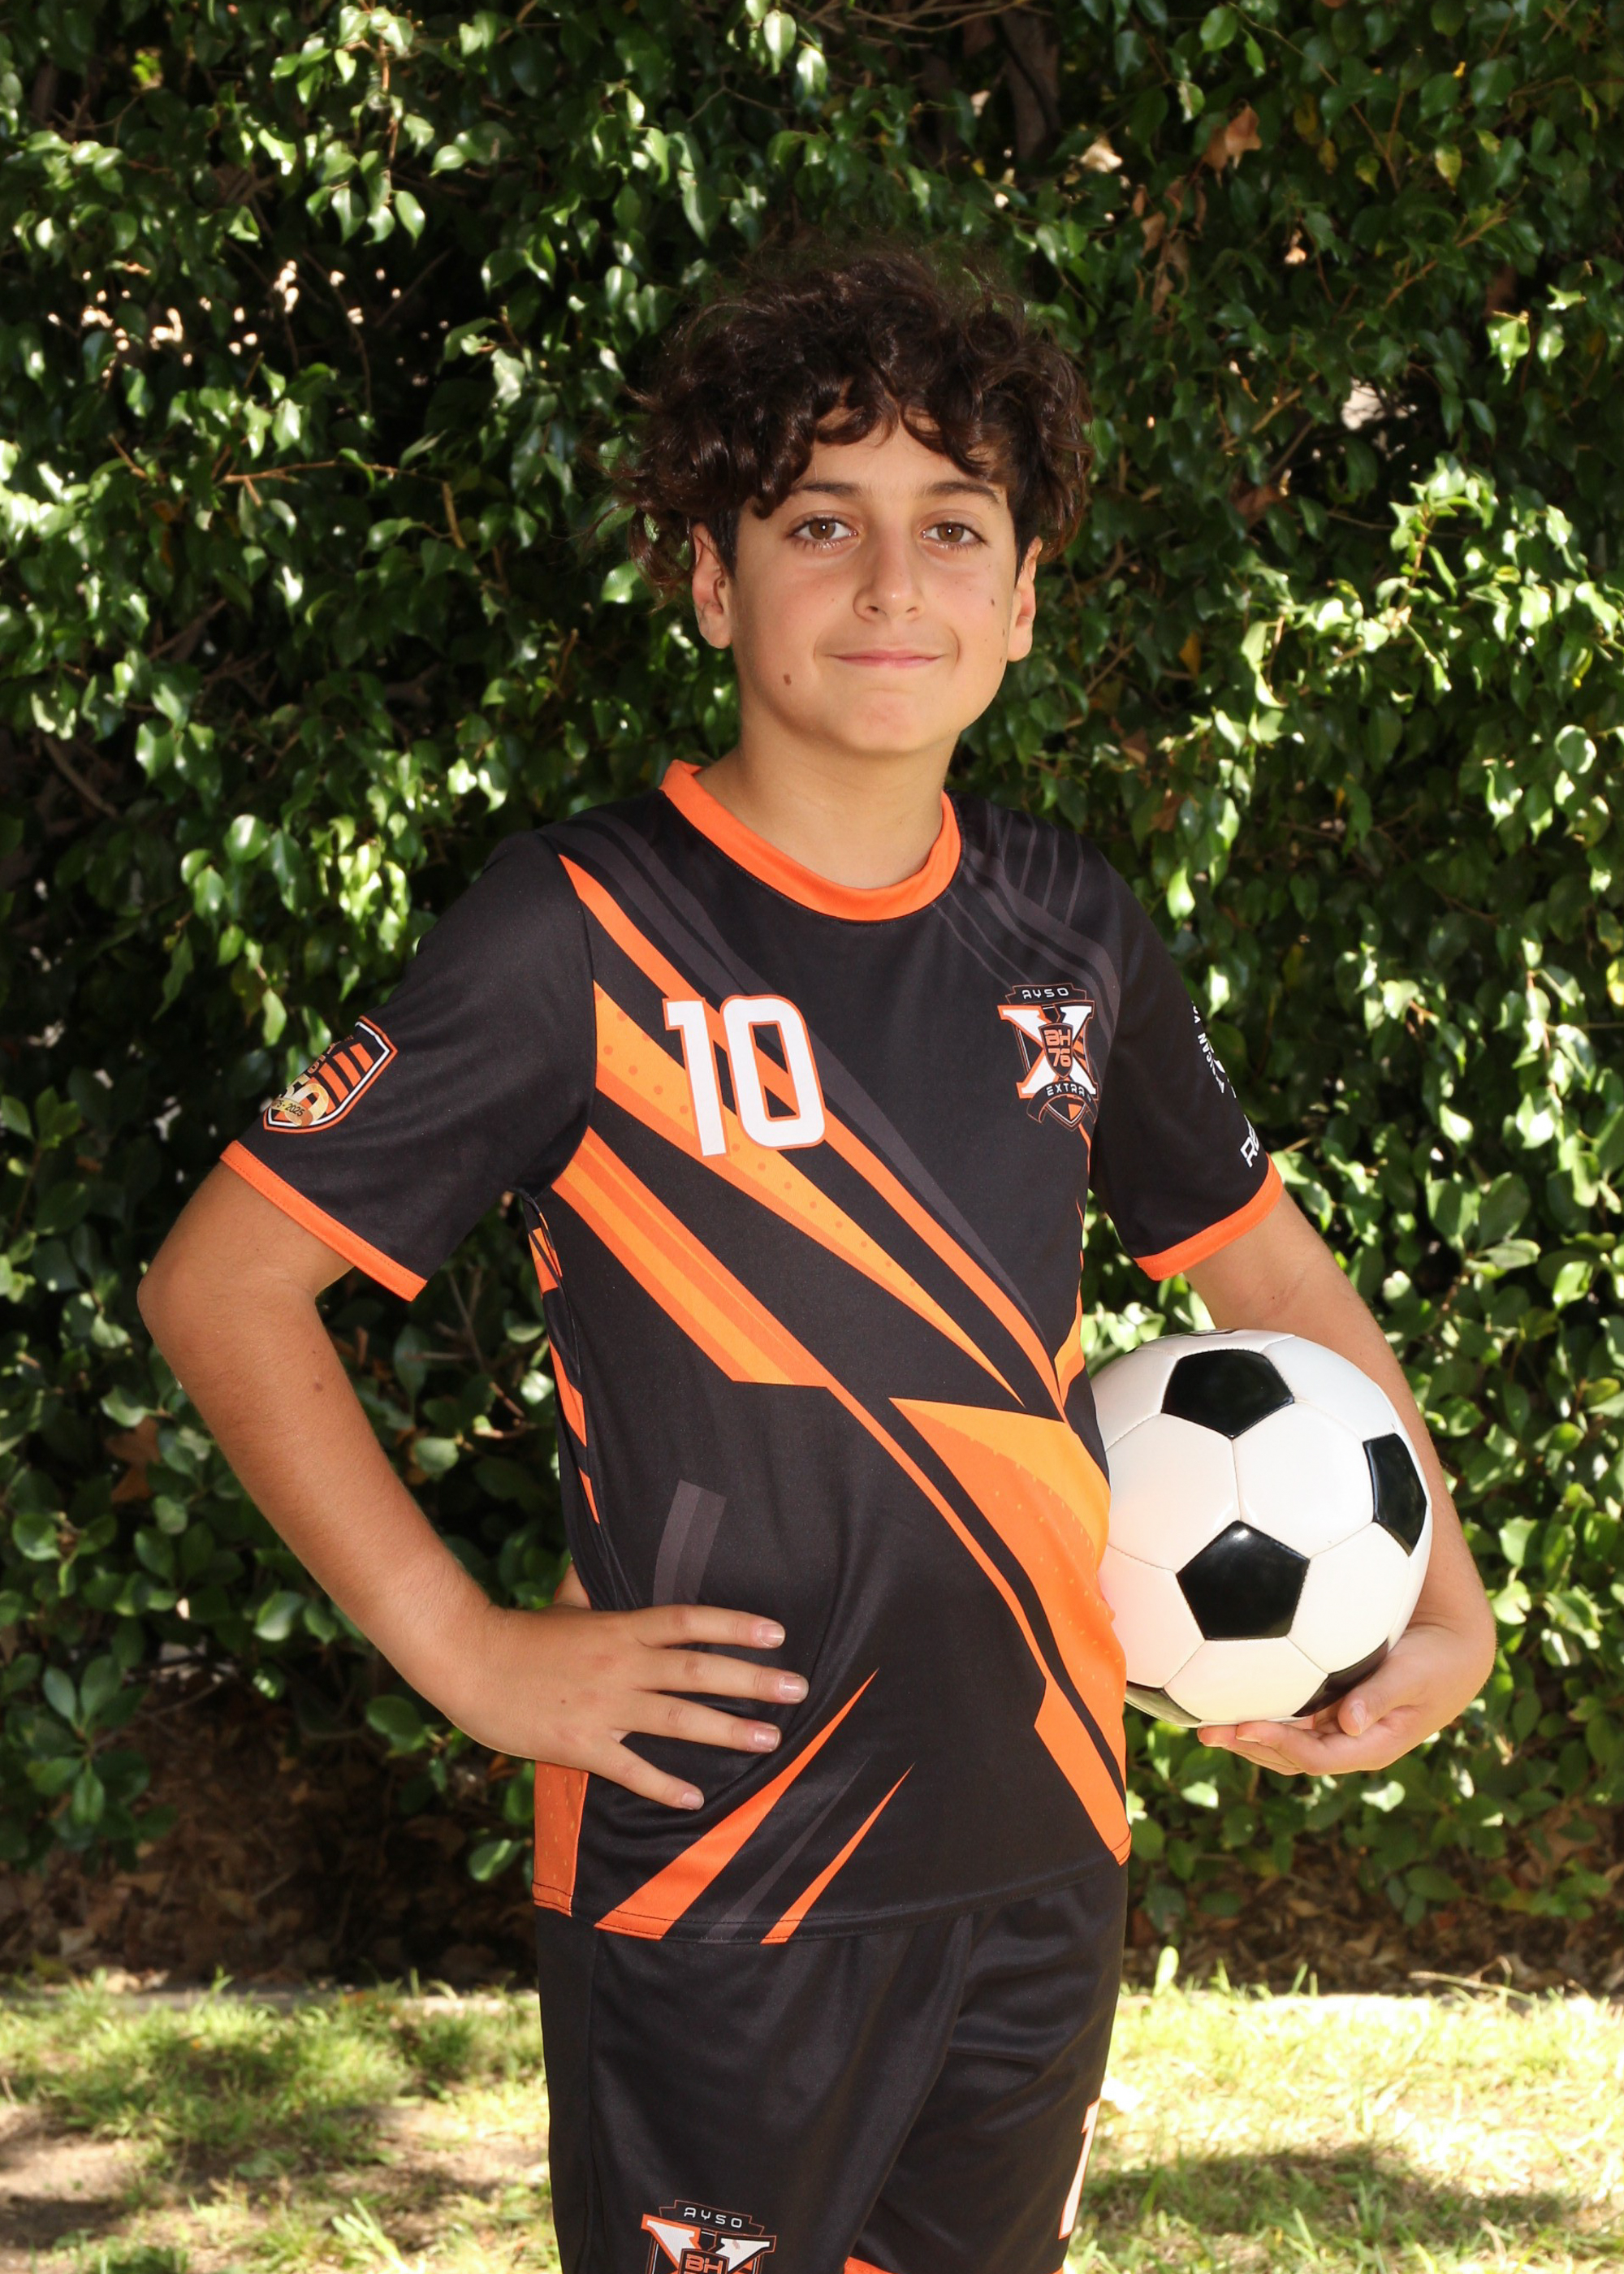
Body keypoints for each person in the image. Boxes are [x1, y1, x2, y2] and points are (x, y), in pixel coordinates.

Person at [139, 241, 1497, 2274]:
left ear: (1021, 600)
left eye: (953, 526)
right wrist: (465, 1647)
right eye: (816, 522)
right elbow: (222, 1280)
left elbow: (1272, 1280)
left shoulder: (1068, 926)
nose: (889, 582)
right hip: (720, 1870)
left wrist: (1444, 1597)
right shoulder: (580, 929)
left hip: (1041, 1831)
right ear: (710, 581)